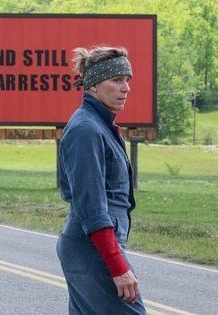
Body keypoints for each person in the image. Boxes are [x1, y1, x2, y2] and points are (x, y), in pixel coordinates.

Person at [56, 45, 146, 315]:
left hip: (92, 246)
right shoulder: (86, 130)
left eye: (127, 80)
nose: (126, 88)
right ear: (93, 86)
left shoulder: (99, 125)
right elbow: (92, 208)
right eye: (117, 80)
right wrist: (117, 266)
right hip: (91, 248)